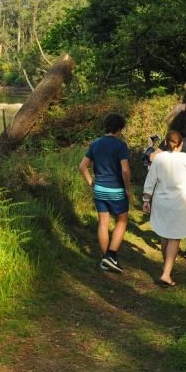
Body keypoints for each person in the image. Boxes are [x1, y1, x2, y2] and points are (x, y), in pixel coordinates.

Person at [142, 130, 186, 287]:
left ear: (166, 143)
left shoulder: (159, 158)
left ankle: (166, 265)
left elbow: (151, 179)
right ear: (181, 144)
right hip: (180, 201)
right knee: (174, 237)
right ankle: (166, 273)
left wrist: (146, 198)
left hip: (161, 201)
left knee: (164, 233)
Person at [79, 113, 132, 273]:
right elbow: (125, 170)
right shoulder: (120, 145)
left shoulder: (95, 143)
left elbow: (82, 166)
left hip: (99, 189)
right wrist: (128, 189)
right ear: (120, 129)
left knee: (103, 222)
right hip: (116, 190)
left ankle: (105, 259)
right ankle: (111, 256)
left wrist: (91, 183)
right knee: (122, 221)